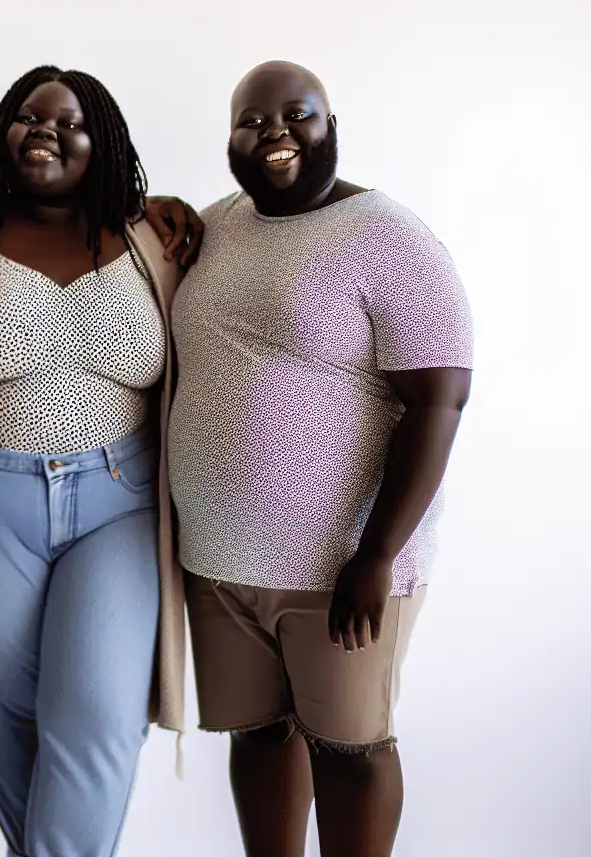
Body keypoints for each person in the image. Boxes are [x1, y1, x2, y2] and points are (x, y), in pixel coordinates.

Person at [0, 66, 202, 857]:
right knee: (9, 717)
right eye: (29, 117)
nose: (47, 132)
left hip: (120, 503)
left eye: (70, 123)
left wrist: (174, 206)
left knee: (98, 713)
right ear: (2, 130)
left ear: (104, 143)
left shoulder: (149, 238)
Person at [167, 61, 472, 857]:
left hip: (339, 568)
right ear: (229, 140)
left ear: (330, 125)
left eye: (295, 115)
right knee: (259, 735)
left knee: (351, 744)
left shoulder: (387, 237)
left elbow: (438, 402)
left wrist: (377, 554)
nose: (273, 131)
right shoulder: (215, 227)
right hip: (220, 561)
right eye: (251, 120)